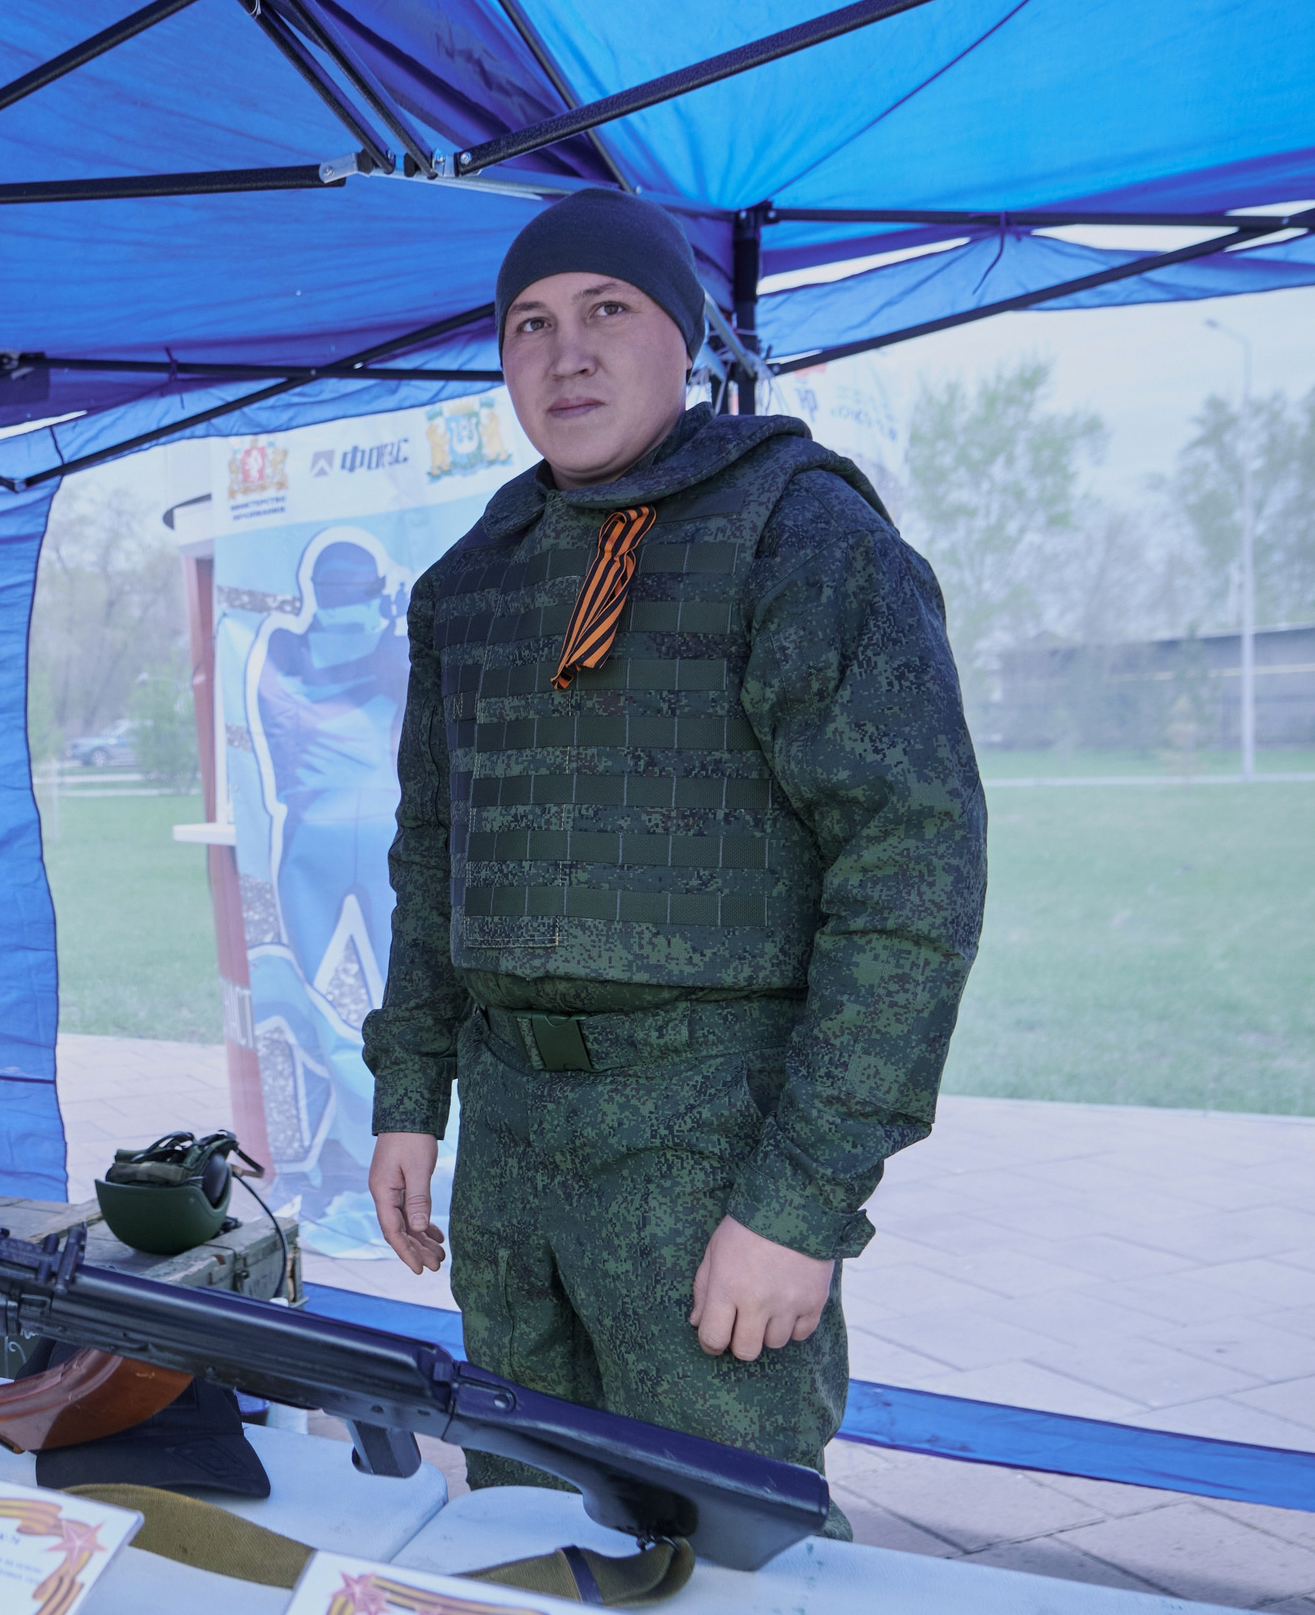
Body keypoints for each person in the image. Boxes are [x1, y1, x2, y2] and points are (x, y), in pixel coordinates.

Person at [359, 189, 986, 1518]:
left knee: (725, 1553)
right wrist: (410, 1092)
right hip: (515, 1151)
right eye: (528, 324)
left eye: (606, 311)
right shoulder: (468, 584)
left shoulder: (801, 536)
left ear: (684, 336)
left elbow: (911, 869)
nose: (565, 352)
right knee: (521, 1537)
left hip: (709, 1156)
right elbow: (435, 859)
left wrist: (802, 1199)